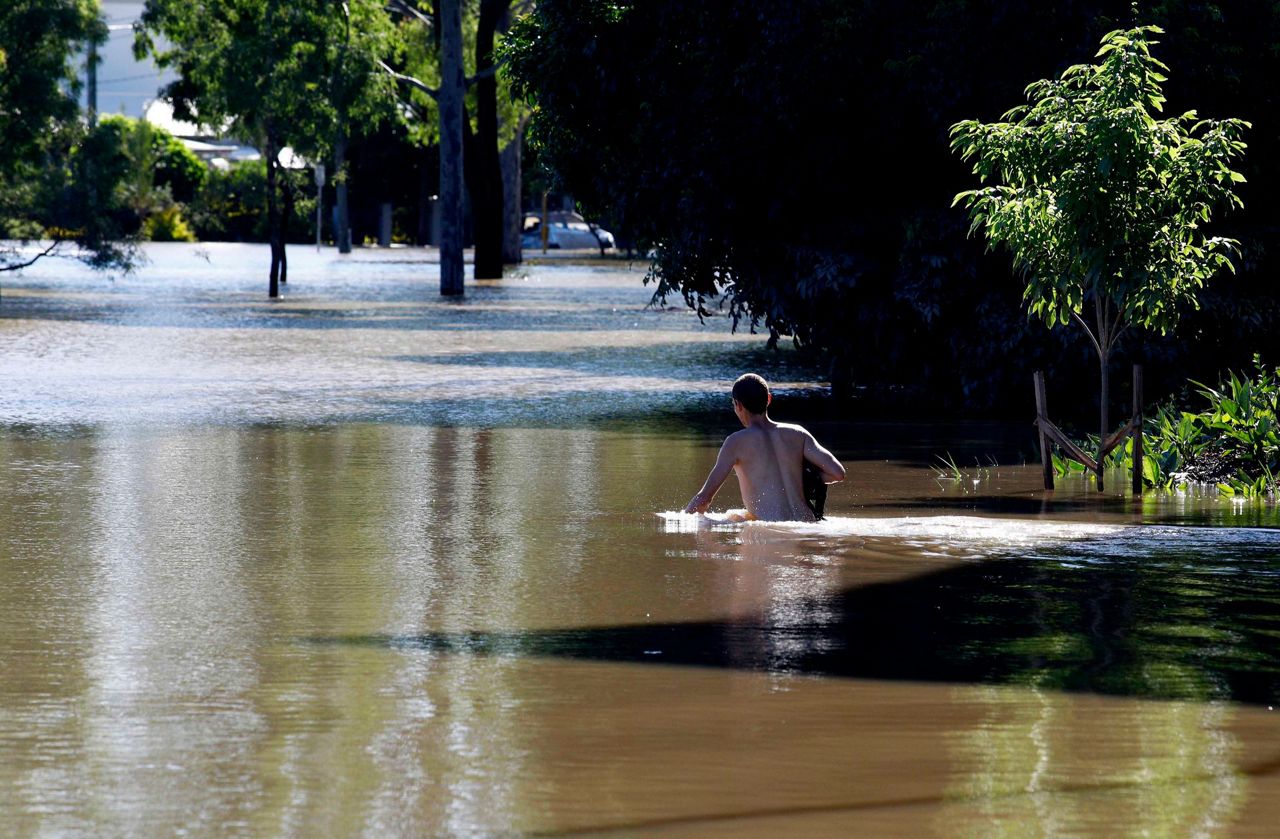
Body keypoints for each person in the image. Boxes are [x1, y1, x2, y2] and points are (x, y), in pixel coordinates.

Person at [684, 374, 846, 521]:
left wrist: (680, 524)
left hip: (772, 528)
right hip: (808, 522)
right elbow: (837, 473)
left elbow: (704, 499)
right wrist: (804, 479)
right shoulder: (797, 433)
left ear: (738, 405)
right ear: (768, 399)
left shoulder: (735, 442)